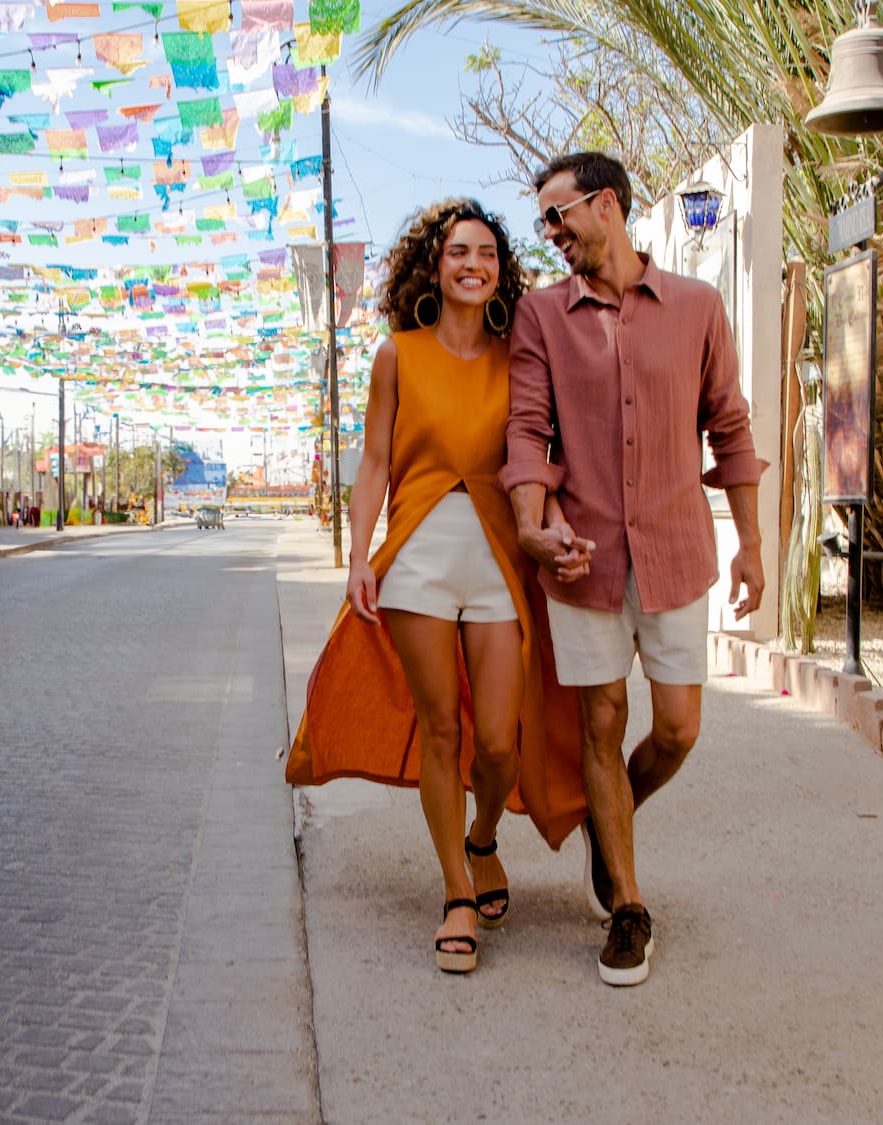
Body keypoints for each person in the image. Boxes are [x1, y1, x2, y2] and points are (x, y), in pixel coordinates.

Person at [286, 199, 588, 975]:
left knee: (496, 740)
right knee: (441, 733)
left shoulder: (519, 354)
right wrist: (360, 554)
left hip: (498, 556)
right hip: (417, 555)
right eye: (460, 251)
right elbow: (376, 466)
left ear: (500, 270)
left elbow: (539, 452)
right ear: (435, 262)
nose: (473, 264)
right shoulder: (398, 354)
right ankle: (456, 888)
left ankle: (483, 833)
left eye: (487, 253)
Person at [502, 151, 768, 987]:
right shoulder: (542, 316)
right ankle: (626, 904)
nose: (549, 234)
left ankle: (603, 822)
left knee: (680, 728)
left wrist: (753, 544)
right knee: (602, 722)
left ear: (606, 205)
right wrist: (534, 529)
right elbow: (526, 434)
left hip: (677, 550)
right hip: (581, 558)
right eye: (543, 220)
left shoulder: (698, 306)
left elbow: (730, 427)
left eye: (557, 215)